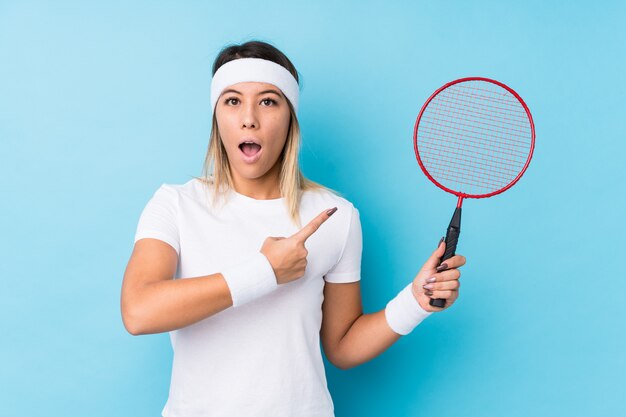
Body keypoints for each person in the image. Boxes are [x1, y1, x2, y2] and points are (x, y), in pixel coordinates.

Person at [121, 40, 465, 417]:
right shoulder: (175, 205)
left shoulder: (336, 216)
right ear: (216, 115)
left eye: (268, 101)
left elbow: (342, 345)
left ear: (290, 117)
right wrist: (264, 272)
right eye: (232, 101)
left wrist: (414, 303)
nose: (249, 118)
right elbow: (139, 311)